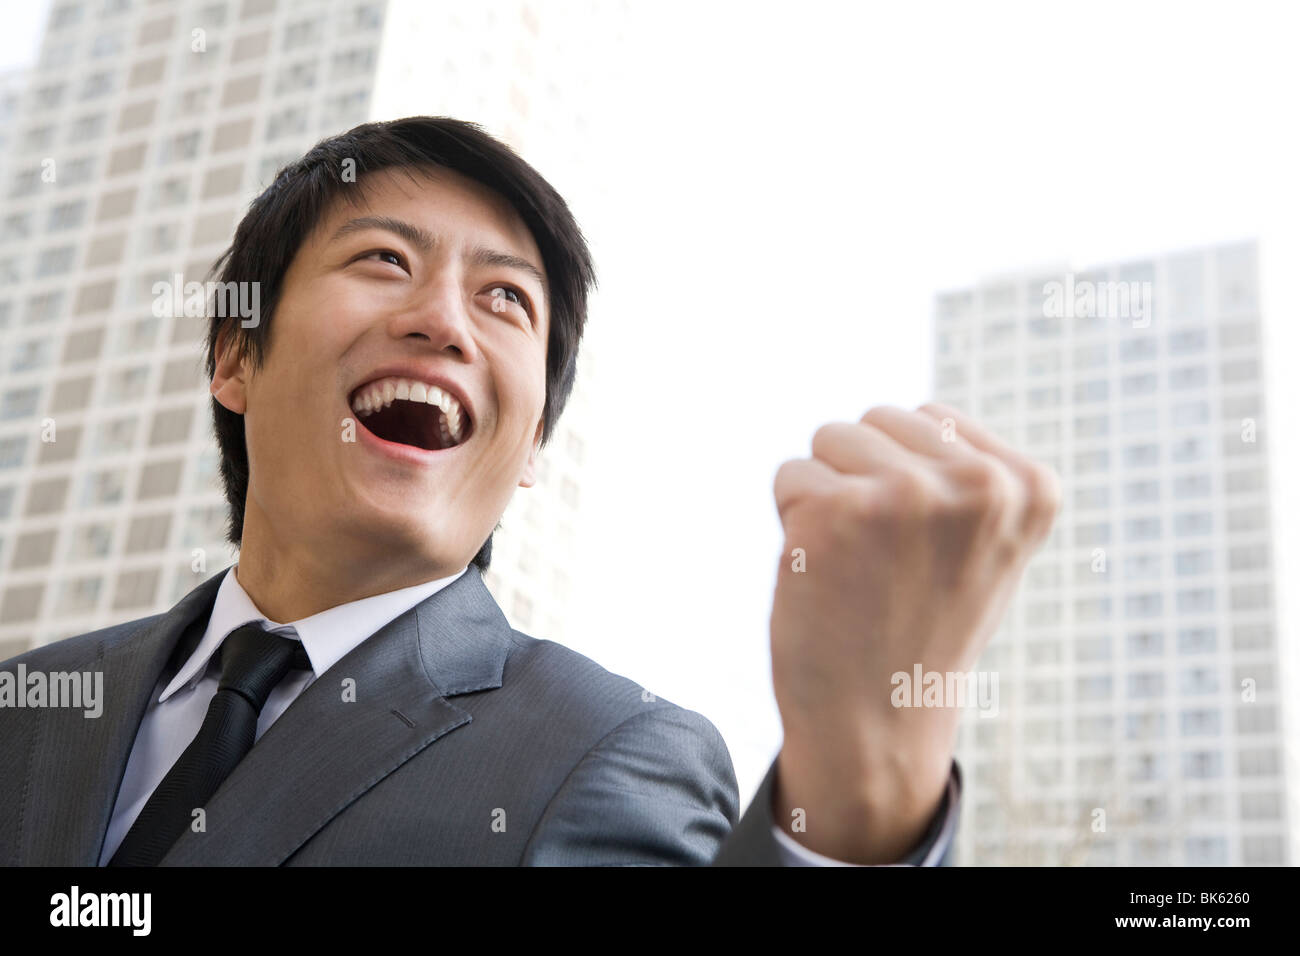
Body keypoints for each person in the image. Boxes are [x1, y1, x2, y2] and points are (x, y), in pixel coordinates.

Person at [0, 117, 1060, 866]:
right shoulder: (31, 703)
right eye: (381, 258)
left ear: (532, 441)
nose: (444, 321)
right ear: (235, 357)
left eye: (504, 296)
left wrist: (859, 797)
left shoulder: (604, 752)